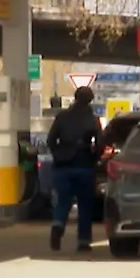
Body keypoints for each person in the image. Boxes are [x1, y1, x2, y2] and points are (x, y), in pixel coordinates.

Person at [45, 86, 104, 252]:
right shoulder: (92, 119)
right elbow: (99, 143)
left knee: (63, 201)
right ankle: (83, 241)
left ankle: (57, 226)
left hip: (62, 167)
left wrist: (58, 154)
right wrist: (95, 158)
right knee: (85, 205)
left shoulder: (62, 117)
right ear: (90, 100)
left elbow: (50, 140)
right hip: (84, 165)